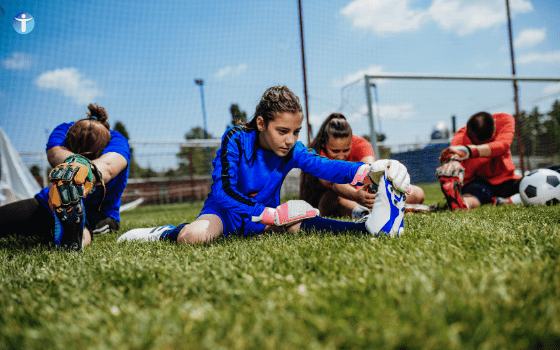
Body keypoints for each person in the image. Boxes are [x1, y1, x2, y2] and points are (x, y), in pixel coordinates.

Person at [118, 86, 411, 244]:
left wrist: (366, 171)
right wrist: (269, 214)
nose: (289, 140)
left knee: (300, 225)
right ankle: (166, 231)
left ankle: (368, 230)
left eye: (295, 132)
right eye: (281, 131)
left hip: (267, 219)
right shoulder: (235, 138)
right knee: (194, 237)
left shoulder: (291, 150)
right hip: (227, 213)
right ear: (261, 123)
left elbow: (323, 165)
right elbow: (223, 192)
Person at [0, 104, 130, 250]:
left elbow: (107, 167)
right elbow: (55, 154)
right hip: (49, 203)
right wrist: (76, 165)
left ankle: (73, 240)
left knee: (84, 227)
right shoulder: (63, 131)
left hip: (100, 213)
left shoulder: (118, 141)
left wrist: (85, 172)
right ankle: (57, 226)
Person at [300, 113, 424, 219]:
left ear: (351, 141)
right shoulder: (316, 154)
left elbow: (370, 170)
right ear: (324, 144)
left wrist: (371, 193)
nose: (341, 156)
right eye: (335, 151)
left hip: (362, 195)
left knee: (417, 193)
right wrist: (356, 196)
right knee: (337, 198)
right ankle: (366, 214)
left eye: (346, 150)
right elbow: (334, 183)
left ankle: (383, 207)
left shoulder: (361, 144)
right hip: (335, 199)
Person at [436, 111, 521, 210]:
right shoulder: (460, 136)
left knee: (528, 184)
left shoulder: (504, 120)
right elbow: (452, 154)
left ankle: (503, 201)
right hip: (478, 182)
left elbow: (503, 145)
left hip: (507, 180)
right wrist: (452, 162)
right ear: (468, 132)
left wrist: (469, 151)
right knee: (473, 195)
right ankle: (461, 204)